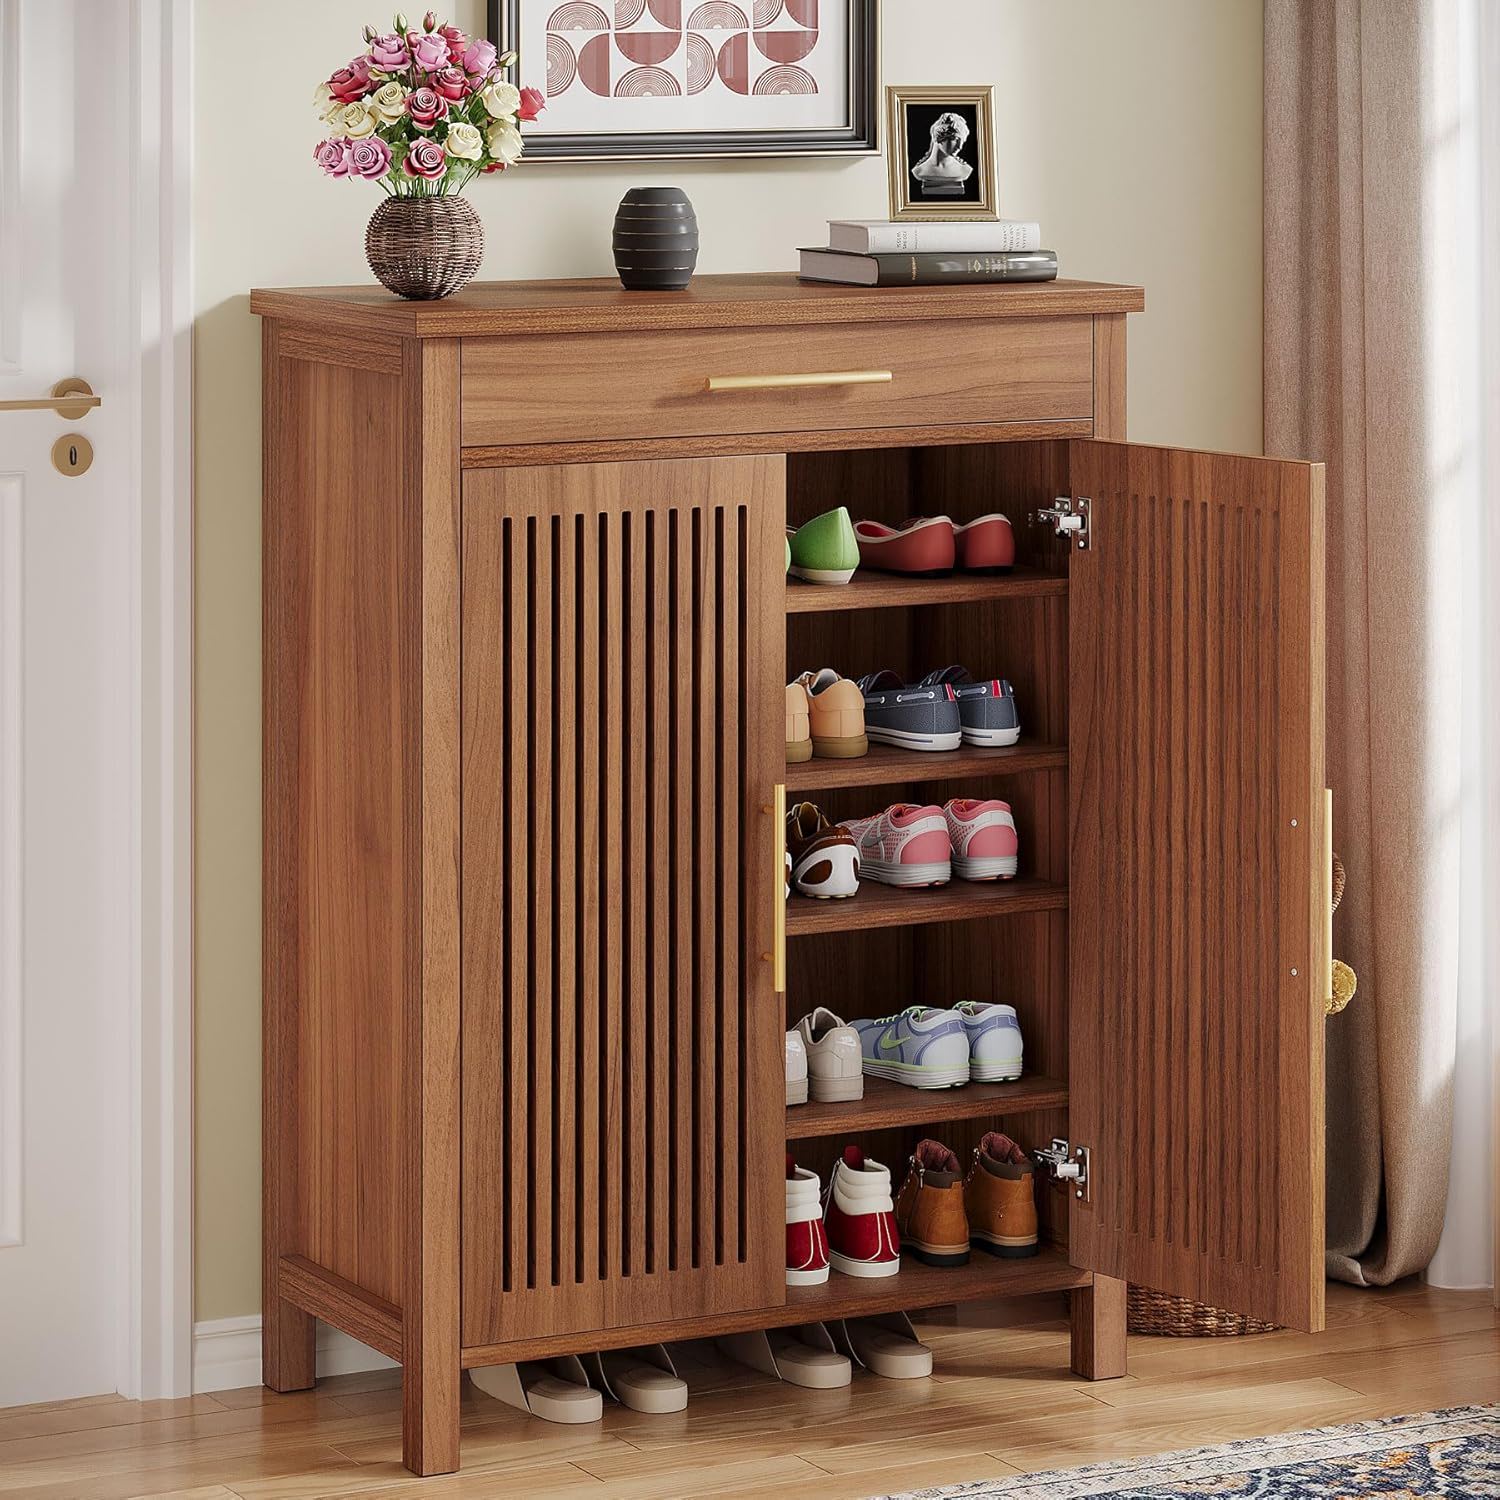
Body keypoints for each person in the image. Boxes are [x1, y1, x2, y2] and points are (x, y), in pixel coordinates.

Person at [911, 111, 973, 194]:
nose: (959, 147)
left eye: (962, 141)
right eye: (955, 139)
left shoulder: (964, 170)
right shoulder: (919, 171)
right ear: (939, 137)